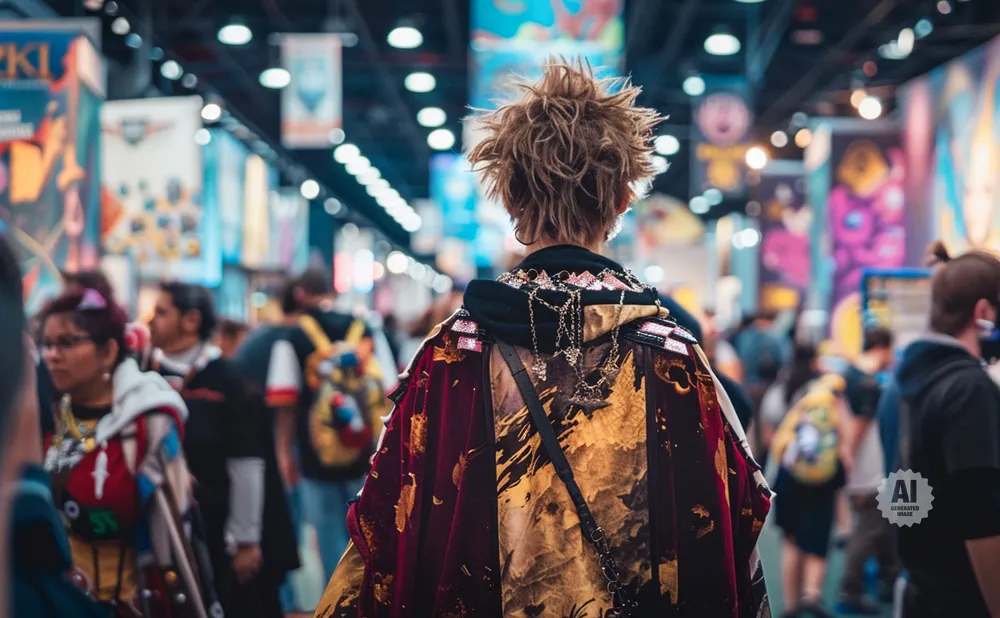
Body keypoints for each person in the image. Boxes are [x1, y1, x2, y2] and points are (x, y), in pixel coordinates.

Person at [315, 59, 771, 617]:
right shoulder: (674, 356)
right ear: (622, 201)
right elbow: (734, 522)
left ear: (509, 200)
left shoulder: (449, 355)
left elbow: (382, 530)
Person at [39, 286, 212, 617]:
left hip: (132, 602)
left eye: (67, 342)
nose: (52, 355)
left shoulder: (148, 422)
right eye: (47, 344)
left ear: (108, 351)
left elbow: (176, 530)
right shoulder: (50, 417)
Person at [887, 241, 1000, 618]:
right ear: (982, 312)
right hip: (962, 597)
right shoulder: (968, 388)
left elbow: (902, 496)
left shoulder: (908, 380)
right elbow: (981, 518)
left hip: (923, 588)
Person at [148, 281, 272, 617]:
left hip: (214, 527)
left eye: (162, 312)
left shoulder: (228, 379)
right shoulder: (144, 375)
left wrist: (246, 539)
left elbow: (246, 463)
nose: (151, 321)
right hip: (153, 530)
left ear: (191, 320)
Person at [266, 267, 387, 591]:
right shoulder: (365, 328)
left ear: (300, 293)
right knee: (365, 532)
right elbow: (388, 389)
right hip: (365, 453)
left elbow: (286, 403)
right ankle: (365, 601)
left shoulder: (293, 336)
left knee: (327, 532)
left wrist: (284, 453)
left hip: (314, 453)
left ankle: (334, 601)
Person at [769, 349, 852, 618]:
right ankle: (811, 594)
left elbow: (772, 423)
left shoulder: (786, 387)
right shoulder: (834, 395)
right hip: (822, 477)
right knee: (817, 538)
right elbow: (846, 434)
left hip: (790, 473)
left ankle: (791, 605)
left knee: (791, 539)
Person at [838, 327, 897, 614]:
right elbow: (861, 425)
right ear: (883, 348)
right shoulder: (869, 383)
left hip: (859, 467)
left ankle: (887, 578)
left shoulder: (849, 374)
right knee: (869, 528)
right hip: (867, 469)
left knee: (880, 525)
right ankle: (851, 589)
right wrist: (850, 458)